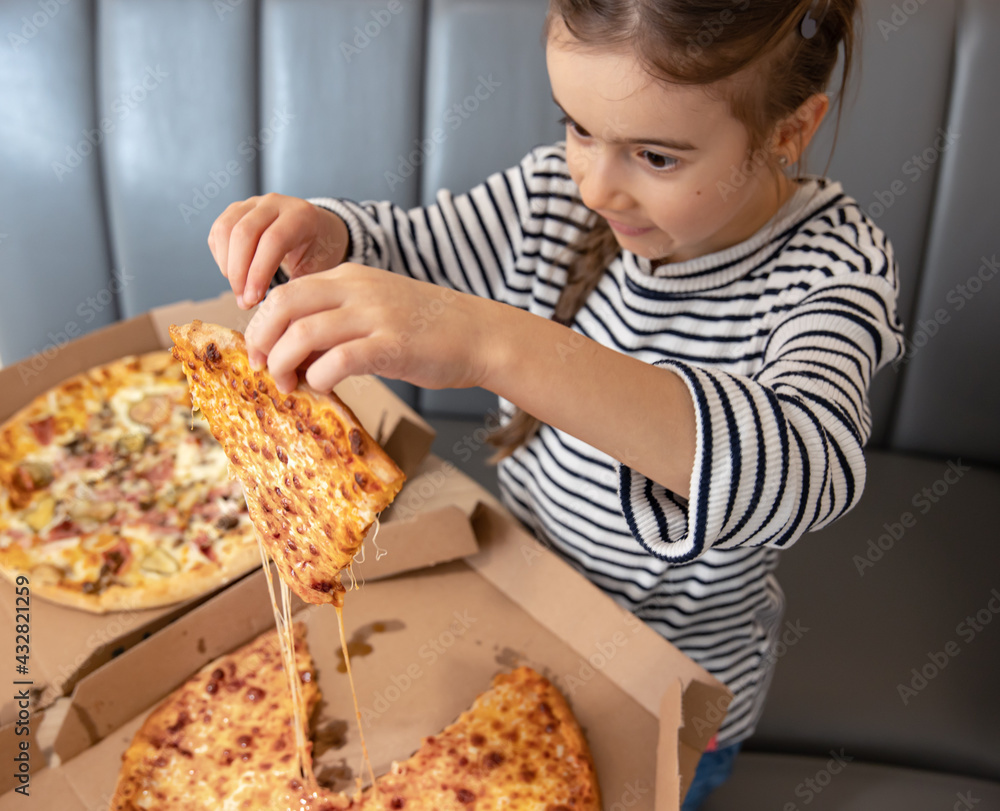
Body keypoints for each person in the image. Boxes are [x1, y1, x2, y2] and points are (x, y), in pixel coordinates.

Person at [208, 0, 903, 806]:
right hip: (516, 625)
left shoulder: (832, 273)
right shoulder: (551, 196)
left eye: (656, 156)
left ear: (790, 129)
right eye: (576, 126)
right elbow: (416, 248)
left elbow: (799, 469)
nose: (596, 183)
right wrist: (327, 233)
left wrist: (492, 343)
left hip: (672, 693)